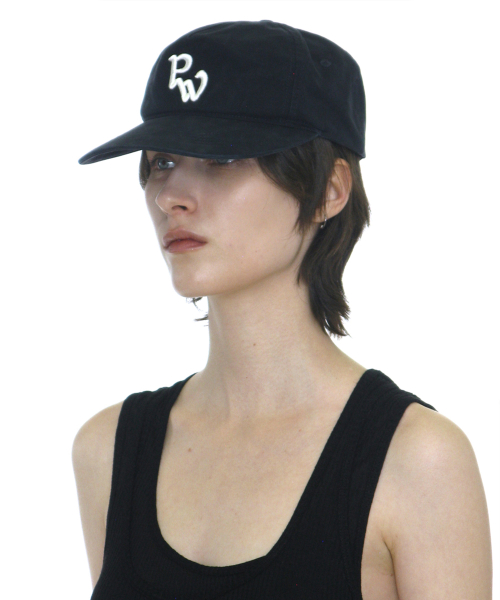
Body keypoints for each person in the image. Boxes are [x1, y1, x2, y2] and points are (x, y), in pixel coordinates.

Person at [72, 19, 493, 600]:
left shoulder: (417, 461)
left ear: (329, 190)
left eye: (220, 159)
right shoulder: (108, 450)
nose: (171, 196)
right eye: (162, 161)